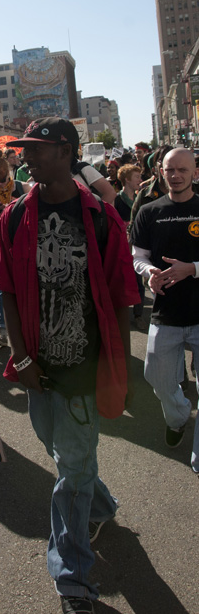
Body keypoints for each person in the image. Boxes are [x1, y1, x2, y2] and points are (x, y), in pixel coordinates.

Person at [0, 117, 139, 614]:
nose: (25, 157)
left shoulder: (101, 218)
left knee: (71, 471)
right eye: (23, 149)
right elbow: (5, 289)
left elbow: (121, 296)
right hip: (37, 369)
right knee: (64, 457)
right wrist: (20, 355)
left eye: (37, 149)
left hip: (83, 371)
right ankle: (102, 506)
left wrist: (118, 365)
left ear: (67, 151)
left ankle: (72, 573)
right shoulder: (12, 218)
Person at [130, 147, 199, 473]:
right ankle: (179, 416)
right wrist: (149, 273)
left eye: (183, 169)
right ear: (160, 171)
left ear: (194, 172)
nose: (176, 175)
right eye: (170, 169)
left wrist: (193, 269)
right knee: (155, 377)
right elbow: (137, 256)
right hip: (166, 312)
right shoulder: (149, 210)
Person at [0, 149, 29, 347]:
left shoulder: (23, 187)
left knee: (27, 284)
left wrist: (14, 203)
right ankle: (2, 332)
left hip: (24, 242)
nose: (1, 184)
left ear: (8, 172)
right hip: (3, 243)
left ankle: (29, 330)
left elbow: (33, 216)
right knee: (4, 286)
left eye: (3, 179)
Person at [114, 164, 147, 331]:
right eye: (136, 177)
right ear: (127, 179)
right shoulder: (118, 199)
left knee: (138, 282)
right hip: (123, 246)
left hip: (136, 245)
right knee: (123, 281)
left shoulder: (140, 198)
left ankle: (139, 315)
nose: (139, 180)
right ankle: (122, 316)